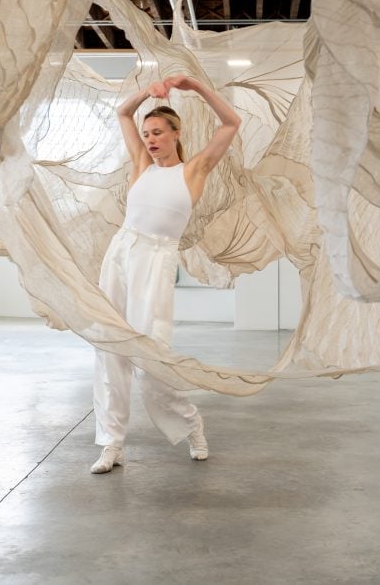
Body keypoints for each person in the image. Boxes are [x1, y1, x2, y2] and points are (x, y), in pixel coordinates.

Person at [91, 74, 241, 474]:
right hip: (121, 253)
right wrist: (147, 92)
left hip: (156, 262)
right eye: (147, 133)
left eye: (158, 132)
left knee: (151, 359)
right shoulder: (142, 165)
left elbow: (231, 124)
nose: (151, 139)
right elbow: (122, 111)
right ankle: (112, 443)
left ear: (176, 134)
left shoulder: (194, 171)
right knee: (109, 349)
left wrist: (198, 87)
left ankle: (192, 424)